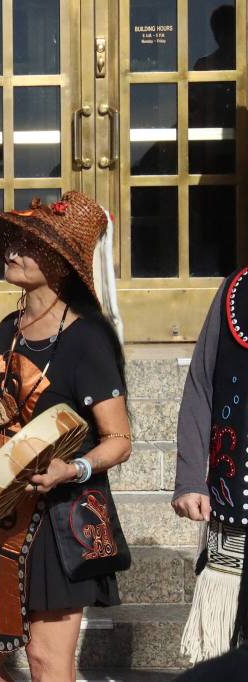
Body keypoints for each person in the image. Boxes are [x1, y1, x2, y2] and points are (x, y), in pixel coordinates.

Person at [0, 192, 132, 681]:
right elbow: (8, 430)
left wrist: (74, 468)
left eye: (30, 244)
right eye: (16, 241)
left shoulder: (87, 338)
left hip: (63, 521)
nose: (14, 251)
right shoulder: (11, 329)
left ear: (60, 264)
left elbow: (119, 439)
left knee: (47, 664)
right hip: (6, 515)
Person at [173, 263, 248, 663]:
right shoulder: (237, 290)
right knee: (226, 646)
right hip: (234, 500)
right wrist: (189, 479)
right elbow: (202, 384)